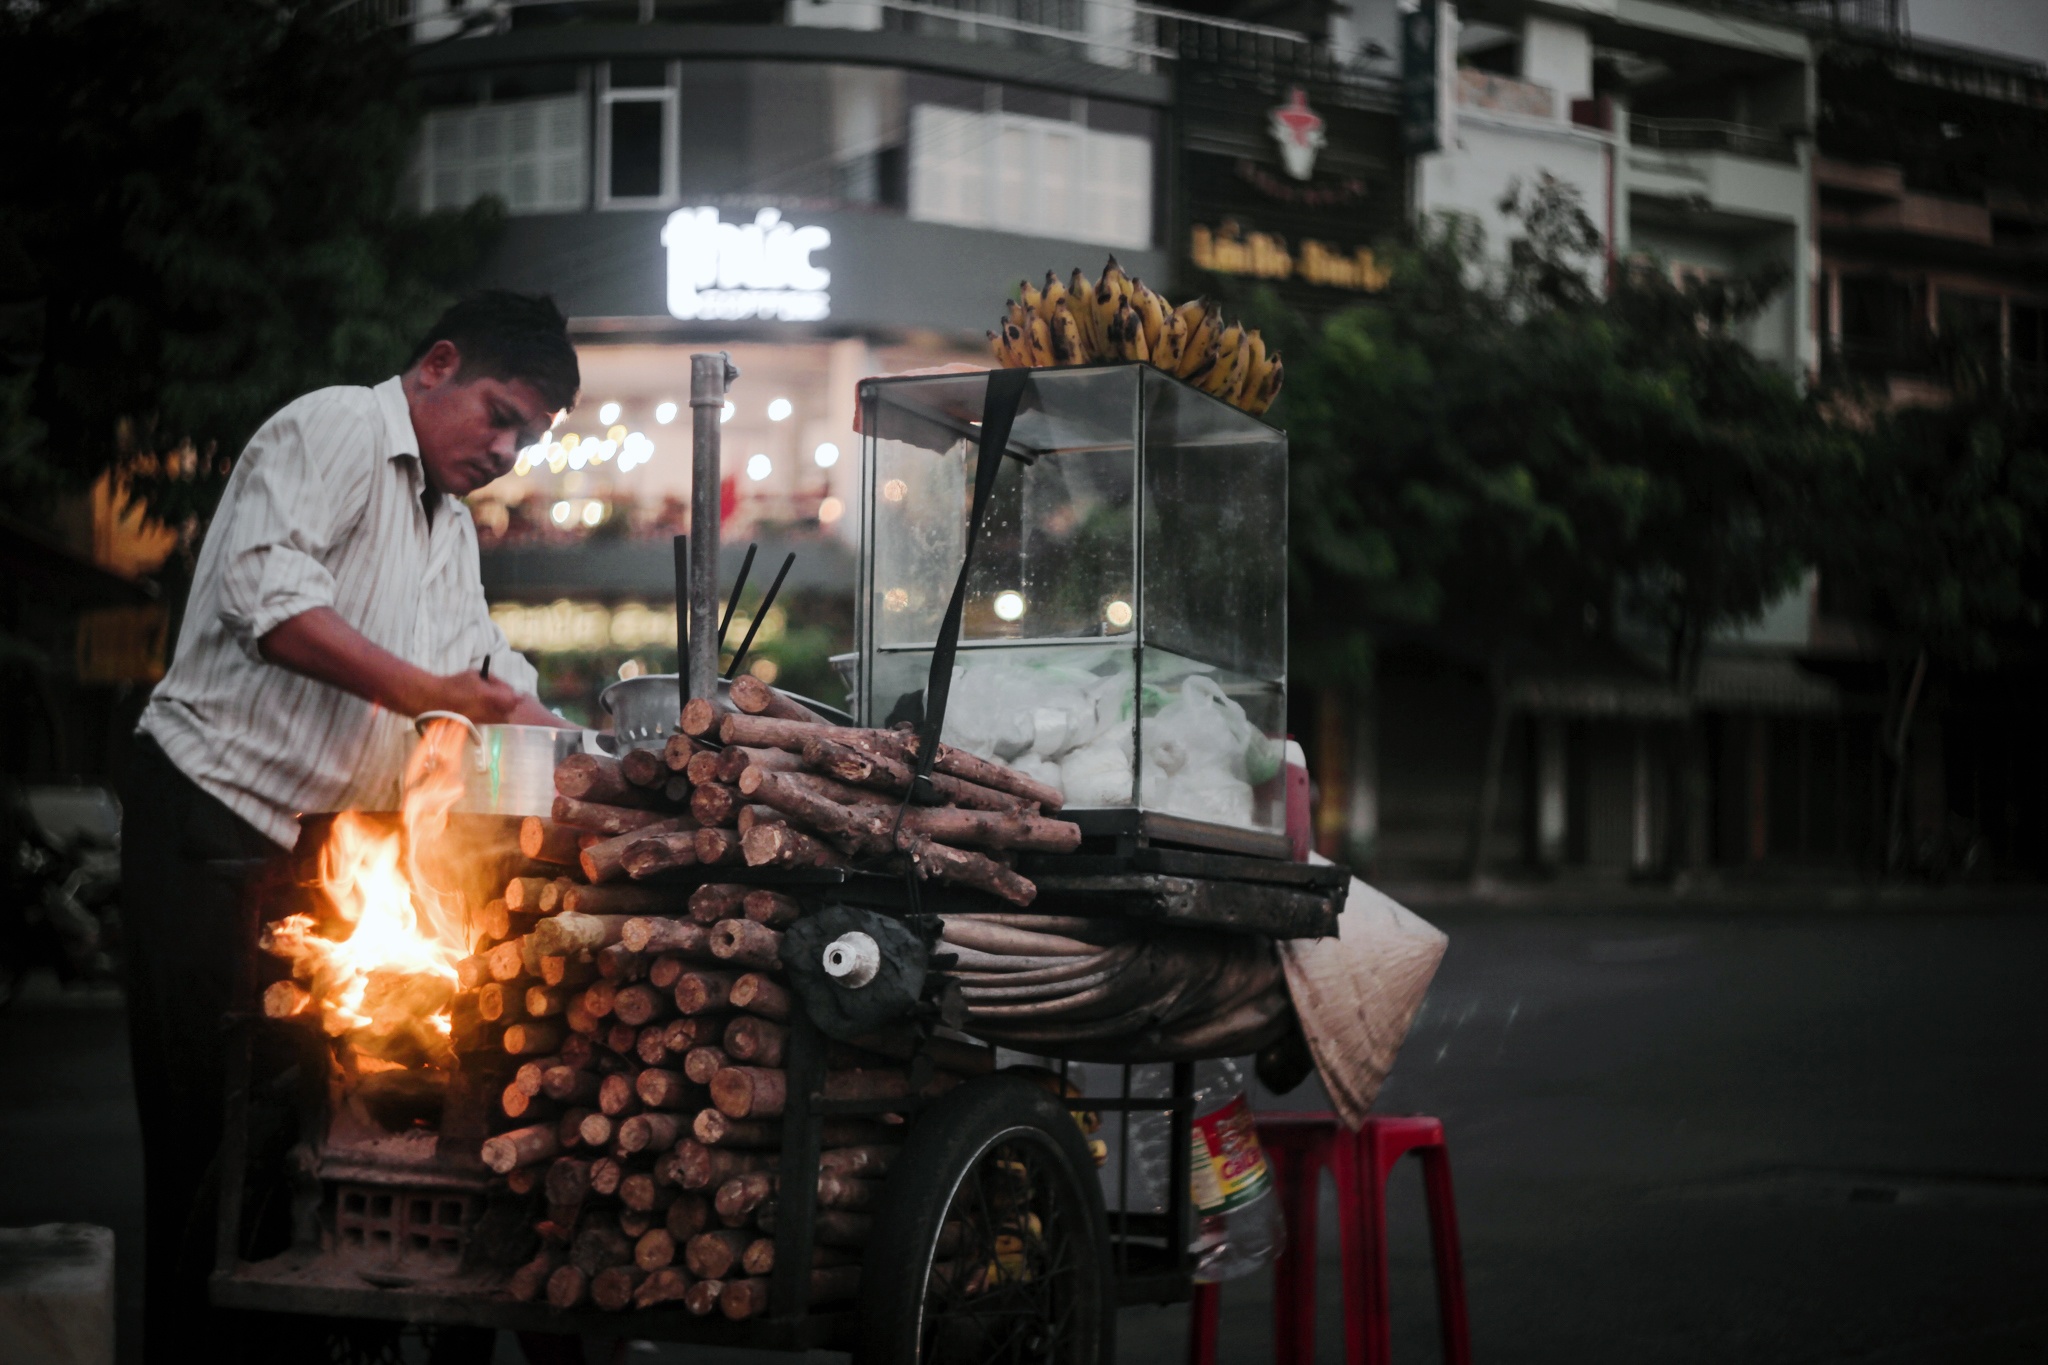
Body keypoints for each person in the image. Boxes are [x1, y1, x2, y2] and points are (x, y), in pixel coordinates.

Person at [119, 291, 579, 1358]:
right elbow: (270, 606)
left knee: (300, 1139)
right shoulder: (329, 425)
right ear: (437, 366)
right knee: (208, 1147)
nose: (506, 450)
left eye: (527, 439)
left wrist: (559, 730)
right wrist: (436, 694)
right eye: (499, 416)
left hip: (320, 855)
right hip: (210, 818)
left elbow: (488, 671)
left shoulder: (449, 524)